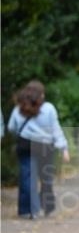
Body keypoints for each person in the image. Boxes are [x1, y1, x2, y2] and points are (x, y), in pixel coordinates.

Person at [7, 81, 70, 219]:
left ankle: (27, 210)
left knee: (27, 177)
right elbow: (55, 129)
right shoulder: (48, 108)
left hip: (25, 144)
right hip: (45, 147)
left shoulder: (19, 108)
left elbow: (11, 127)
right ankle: (47, 207)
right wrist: (64, 147)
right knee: (46, 178)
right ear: (41, 94)